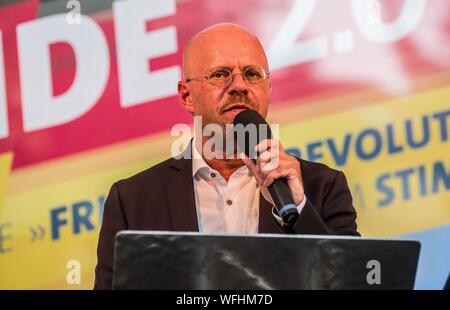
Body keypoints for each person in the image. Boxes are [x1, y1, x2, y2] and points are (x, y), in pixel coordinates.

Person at [94, 23, 359, 290]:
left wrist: (298, 209)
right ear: (187, 96)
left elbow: (354, 285)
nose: (239, 86)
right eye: (221, 74)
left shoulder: (322, 186)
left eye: (252, 74)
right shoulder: (133, 200)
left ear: (268, 89)